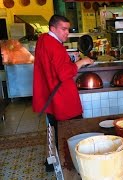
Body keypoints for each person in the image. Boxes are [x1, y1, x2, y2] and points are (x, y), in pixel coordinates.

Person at [32, 15, 93, 171]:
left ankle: (51, 163)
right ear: (53, 28)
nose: (67, 33)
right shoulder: (55, 46)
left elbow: (52, 63)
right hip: (62, 98)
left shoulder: (43, 40)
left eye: (68, 29)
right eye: (63, 29)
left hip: (50, 94)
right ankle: (72, 163)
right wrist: (82, 61)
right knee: (72, 129)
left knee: (54, 129)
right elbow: (64, 73)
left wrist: (68, 57)